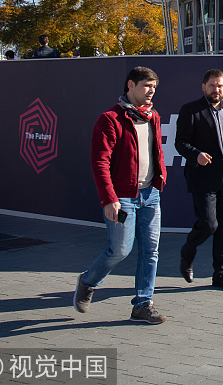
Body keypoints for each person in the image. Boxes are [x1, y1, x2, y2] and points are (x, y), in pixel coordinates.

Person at [74, 66, 167, 324]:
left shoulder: (153, 116)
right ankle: (88, 281)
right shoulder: (110, 119)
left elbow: (155, 151)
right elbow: (100, 162)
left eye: (154, 87)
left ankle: (143, 304)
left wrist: (160, 178)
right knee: (121, 249)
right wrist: (109, 198)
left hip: (151, 194)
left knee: (150, 250)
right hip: (122, 197)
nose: (151, 91)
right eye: (146, 86)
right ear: (130, 85)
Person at [176, 69, 223, 291]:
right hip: (203, 176)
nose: (216, 90)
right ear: (203, 87)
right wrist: (196, 154)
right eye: (212, 85)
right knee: (209, 224)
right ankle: (187, 252)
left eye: (220, 86)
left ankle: (221, 274)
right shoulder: (190, 110)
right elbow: (181, 142)